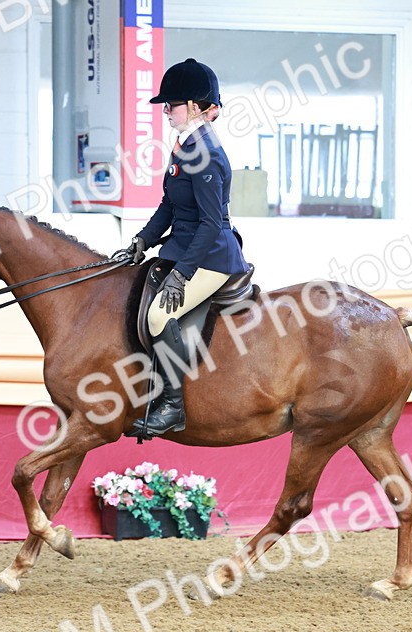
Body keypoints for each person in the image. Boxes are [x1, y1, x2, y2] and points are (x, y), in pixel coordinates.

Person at [124, 58, 251, 439]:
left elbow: (210, 225)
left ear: (195, 107)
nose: (166, 111)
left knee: (158, 316)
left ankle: (171, 408)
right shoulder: (186, 146)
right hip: (186, 246)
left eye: (172, 105)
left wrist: (181, 274)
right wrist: (142, 240)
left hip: (212, 256)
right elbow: (170, 205)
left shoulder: (206, 152)